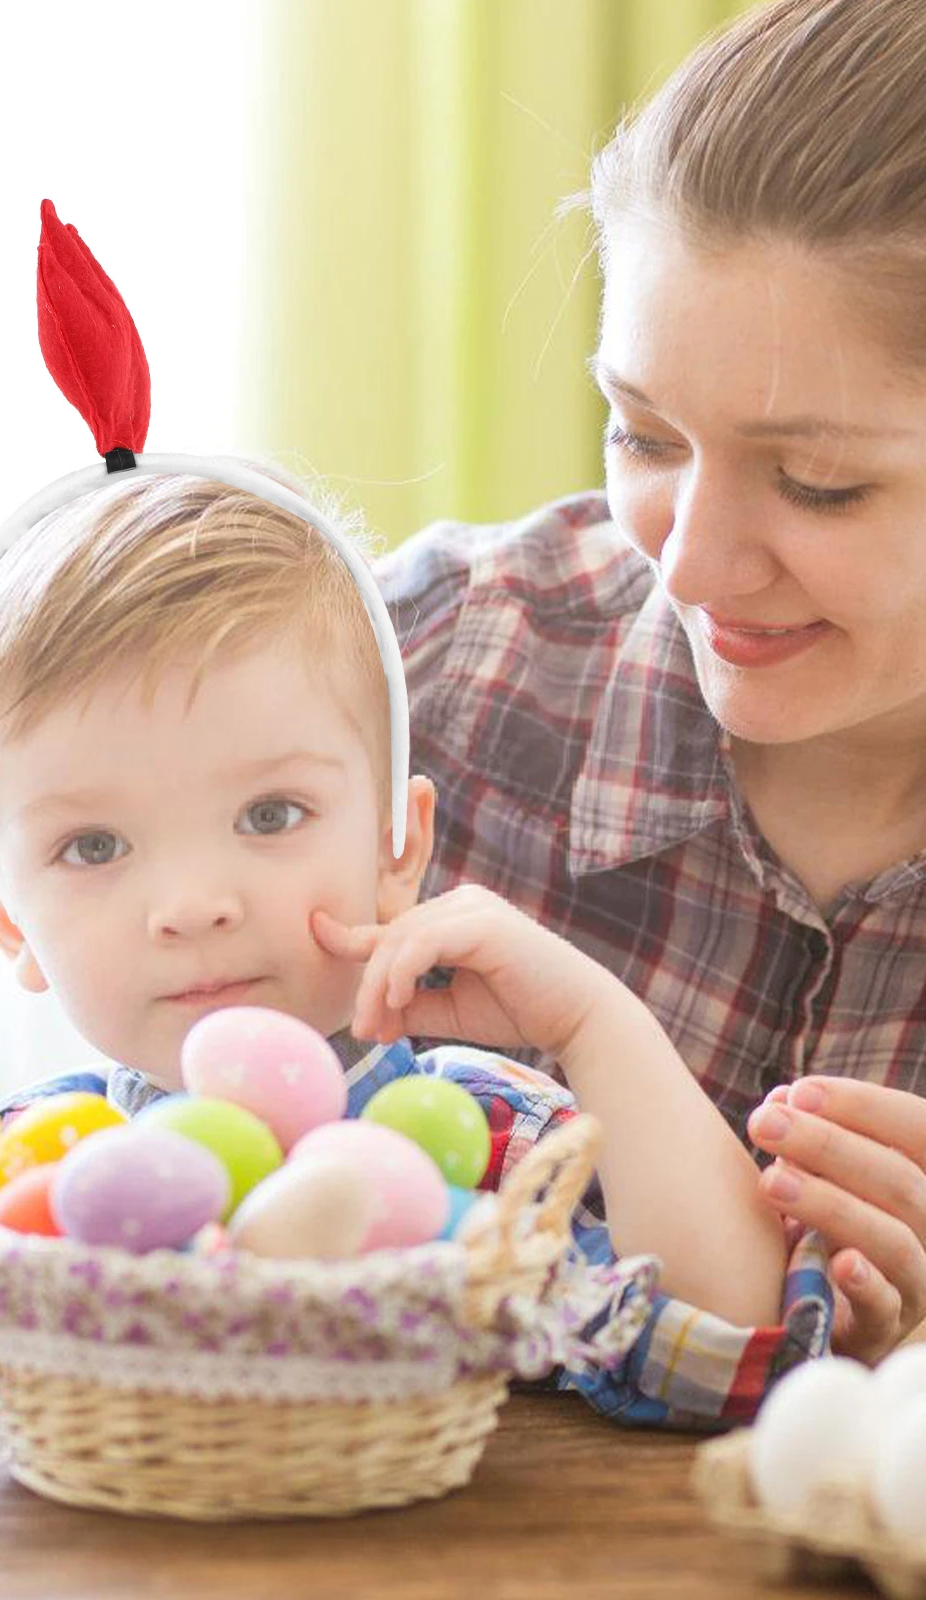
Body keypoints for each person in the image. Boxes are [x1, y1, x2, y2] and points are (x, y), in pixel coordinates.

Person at [0, 471, 817, 1454]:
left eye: (268, 817)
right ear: (8, 922)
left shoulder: (485, 1131)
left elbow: (728, 1356)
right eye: (93, 846)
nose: (191, 904)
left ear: (396, 845)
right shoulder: (29, 1168)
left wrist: (590, 1019)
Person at [375, 0, 926, 1368]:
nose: (687, 564)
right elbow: (112, 1180)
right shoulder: (426, 675)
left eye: (818, 483)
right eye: (643, 432)